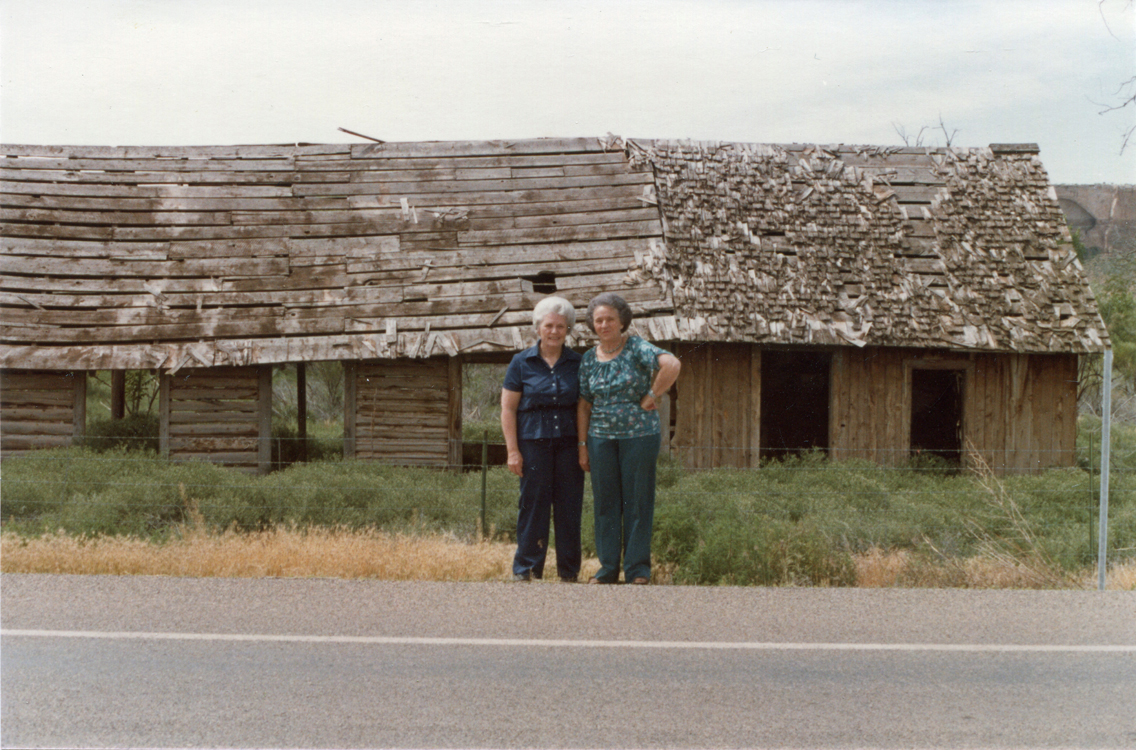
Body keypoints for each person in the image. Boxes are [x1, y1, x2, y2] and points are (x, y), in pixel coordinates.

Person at [577, 292, 681, 585]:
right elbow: (584, 405)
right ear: (592, 324)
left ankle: (637, 570)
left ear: (622, 321)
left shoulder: (636, 347)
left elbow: (672, 364)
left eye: (610, 318)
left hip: (640, 436)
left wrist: (653, 394)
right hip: (600, 439)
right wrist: (582, 445)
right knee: (605, 503)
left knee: (637, 501)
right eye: (598, 320)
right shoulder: (587, 359)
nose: (604, 324)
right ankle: (607, 569)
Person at [501, 296, 585, 582]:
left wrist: (584, 448)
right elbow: (508, 409)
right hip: (532, 443)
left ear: (568, 330)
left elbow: (584, 407)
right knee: (533, 506)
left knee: (569, 507)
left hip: (568, 445)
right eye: (549, 325)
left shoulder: (578, 362)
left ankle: (569, 572)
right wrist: (513, 451)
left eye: (561, 326)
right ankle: (527, 569)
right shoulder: (521, 362)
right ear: (538, 327)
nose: (554, 331)